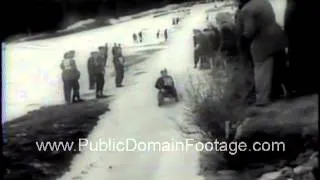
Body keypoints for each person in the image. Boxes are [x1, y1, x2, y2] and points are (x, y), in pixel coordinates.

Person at [238, 0, 288, 106]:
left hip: (263, 40)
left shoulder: (247, 9)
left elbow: (250, 30)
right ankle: (282, 91)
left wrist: (244, 36)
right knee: (279, 65)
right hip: (278, 35)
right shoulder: (264, 2)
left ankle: (262, 99)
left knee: (261, 69)